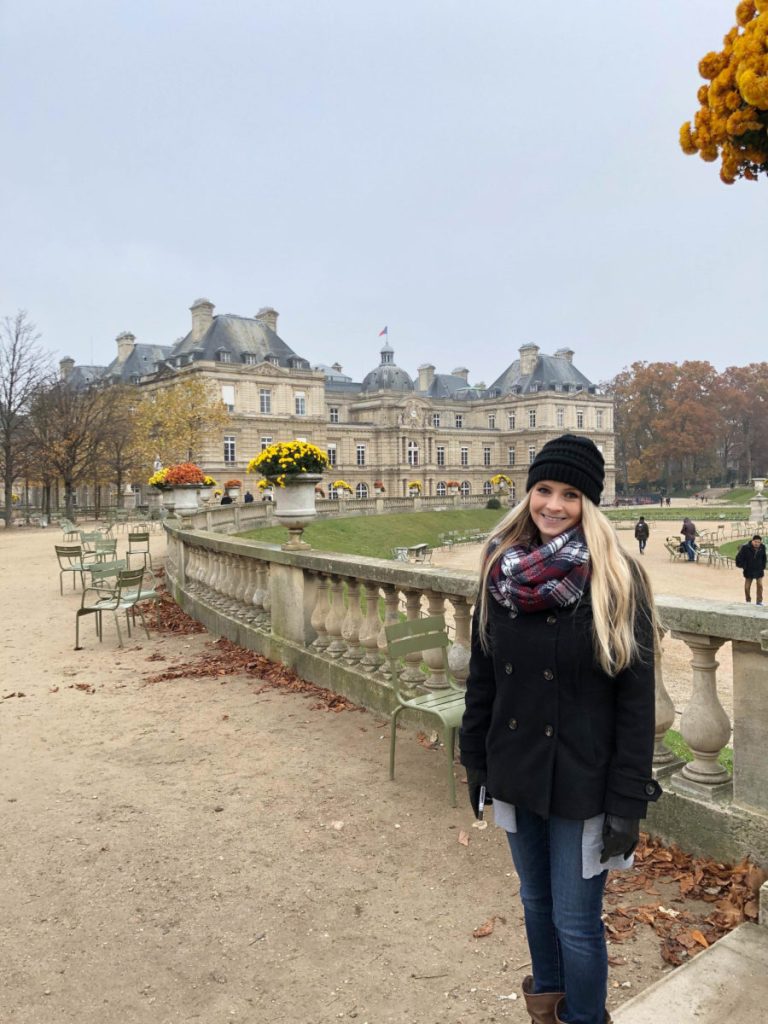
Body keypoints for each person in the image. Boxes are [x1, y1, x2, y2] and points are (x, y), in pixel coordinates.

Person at [460, 434, 661, 1024]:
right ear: (529, 493)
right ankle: (546, 1008)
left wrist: (627, 801)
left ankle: (586, 1018)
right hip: (516, 765)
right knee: (534, 902)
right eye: (544, 489)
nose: (553, 504)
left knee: (575, 922)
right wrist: (476, 761)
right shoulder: (500, 569)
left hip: (583, 778)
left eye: (570, 494)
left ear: (588, 503)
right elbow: (482, 677)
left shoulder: (617, 577)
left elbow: (635, 702)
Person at [735, 534, 767, 605]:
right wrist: (744, 566)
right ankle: (748, 600)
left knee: (760, 585)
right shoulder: (745, 548)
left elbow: (764, 558)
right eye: (755, 542)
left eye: (758, 542)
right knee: (747, 587)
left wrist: (763, 566)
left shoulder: (762, 547)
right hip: (749, 571)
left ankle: (759, 601)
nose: (757, 543)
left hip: (759, 570)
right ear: (752, 541)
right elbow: (739, 558)